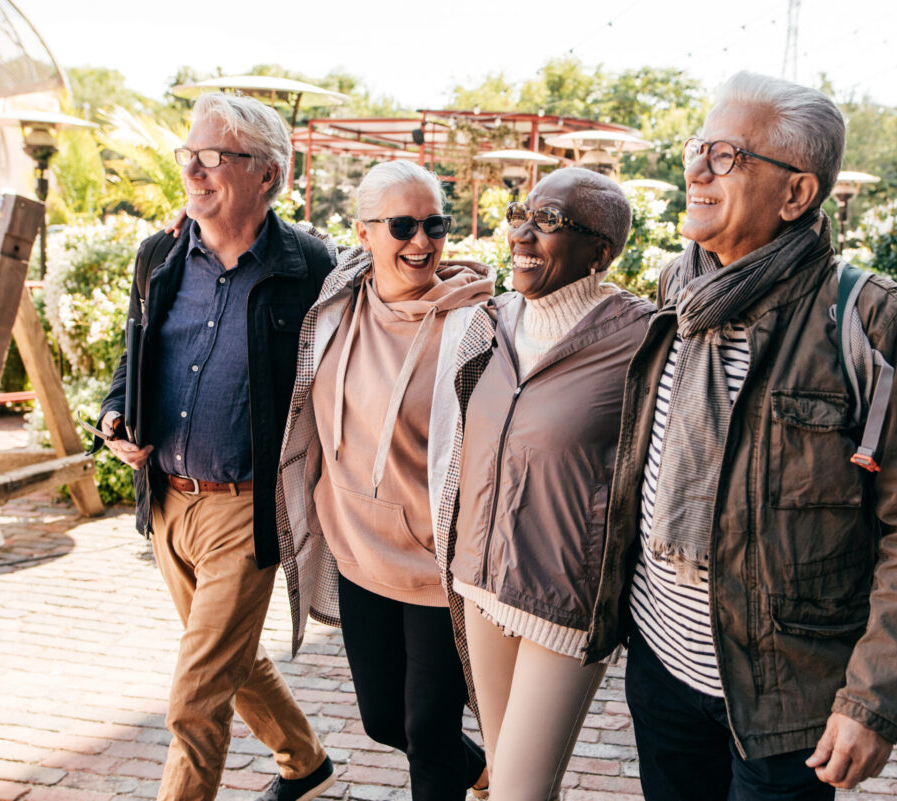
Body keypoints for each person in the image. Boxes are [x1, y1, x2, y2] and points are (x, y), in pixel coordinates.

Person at [608, 72, 897, 800]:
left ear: (797, 194)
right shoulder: (676, 291)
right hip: (661, 667)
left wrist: (871, 701)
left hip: (785, 698)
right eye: (695, 148)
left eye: (726, 155)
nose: (695, 169)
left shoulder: (868, 318)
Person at [96, 93, 337, 801]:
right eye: (189, 156)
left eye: (214, 158)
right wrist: (116, 417)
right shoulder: (159, 255)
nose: (194, 172)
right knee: (228, 658)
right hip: (168, 503)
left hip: (247, 506)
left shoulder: (310, 266)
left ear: (267, 174)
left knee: (195, 697)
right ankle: (306, 761)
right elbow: (131, 356)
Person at [434, 167, 654, 801]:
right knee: (502, 778)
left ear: (601, 252)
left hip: (562, 603)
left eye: (550, 222)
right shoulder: (493, 319)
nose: (523, 234)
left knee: (521, 792)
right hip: (480, 582)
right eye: (520, 214)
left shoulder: (642, 336)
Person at [275, 160, 491, 801]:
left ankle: (464, 773)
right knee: (383, 722)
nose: (421, 243)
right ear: (364, 233)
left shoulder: (475, 325)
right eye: (402, 226)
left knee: (428, 734)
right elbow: (261, 244)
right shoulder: (336, 299)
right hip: (356, 550)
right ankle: (481, 768)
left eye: (435, 225)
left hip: (434, 566)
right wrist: (189, 228)